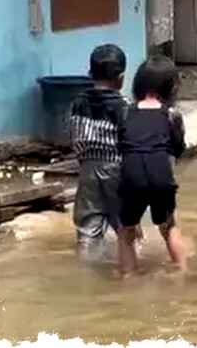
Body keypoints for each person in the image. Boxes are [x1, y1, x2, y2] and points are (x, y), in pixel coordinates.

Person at [116, 56, 188, 276]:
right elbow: (178, 148)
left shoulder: (125, 113)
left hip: (132, 176)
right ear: (171, 87)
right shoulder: (172, 115)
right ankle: (183, 273)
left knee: (126, 233)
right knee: (168, 227)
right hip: (160, 175)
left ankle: (128, 279)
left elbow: (121, 146)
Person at [69, 44, 130, 261]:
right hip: (117, 169)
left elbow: (74, 137)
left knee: (87, 230)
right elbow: (128, 142)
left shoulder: (77, 104)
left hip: (87, 169)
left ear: (89, 74)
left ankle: (83, 272)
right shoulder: (123, 106)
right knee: (126, 227)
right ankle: (131, 270)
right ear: (120, 79)